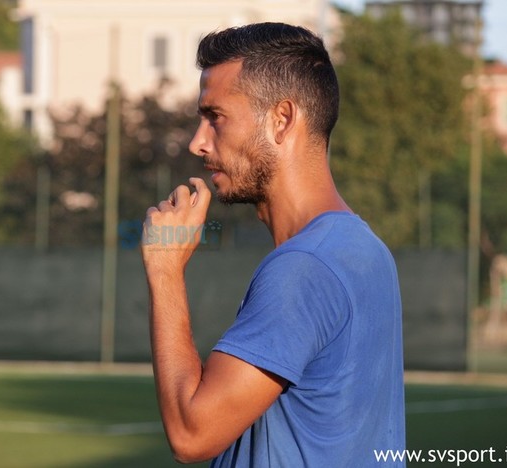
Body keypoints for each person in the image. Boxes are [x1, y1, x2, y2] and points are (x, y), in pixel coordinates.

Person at [140, 22, 406, 467]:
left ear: (281, 120)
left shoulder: (304, 268)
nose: (198, 142)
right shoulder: (363, 248)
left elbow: (192, 433)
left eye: (215, 117)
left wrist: (164, 270)